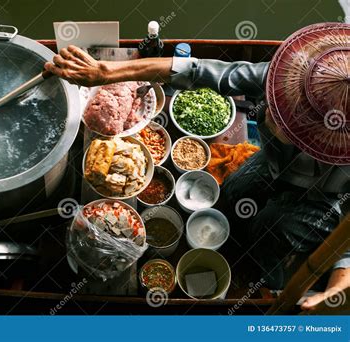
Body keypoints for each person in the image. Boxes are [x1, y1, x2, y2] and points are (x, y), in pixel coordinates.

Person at [44, 22, 350, 311]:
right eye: (278, 107)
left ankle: (266, 282)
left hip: (323, 202)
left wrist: (332, 293)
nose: (274, 112)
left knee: (273, 231)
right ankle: (234, 237)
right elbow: (199, 70)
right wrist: (108, 72)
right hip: (272, 163)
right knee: (231, 190)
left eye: (288, 120)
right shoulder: (288, 79)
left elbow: (346, 242)